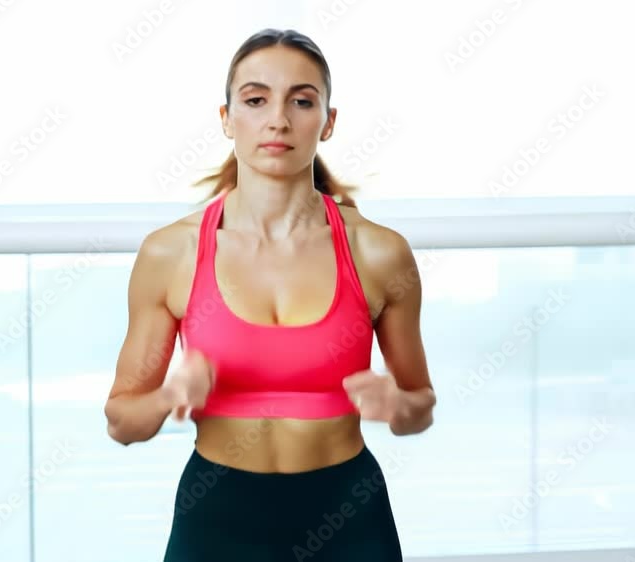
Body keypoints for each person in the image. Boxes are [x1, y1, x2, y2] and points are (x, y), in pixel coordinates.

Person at [104, 28, 435, 562]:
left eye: (302, 101)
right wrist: (170, 395)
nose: (278, 119)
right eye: (256, 100)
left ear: (327, 122)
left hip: (348, 513)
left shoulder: (378, 253)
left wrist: (397, 405)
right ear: (226, 117)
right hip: (217, 514)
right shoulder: (171, 253)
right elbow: (121, 422)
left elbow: (421, 405)